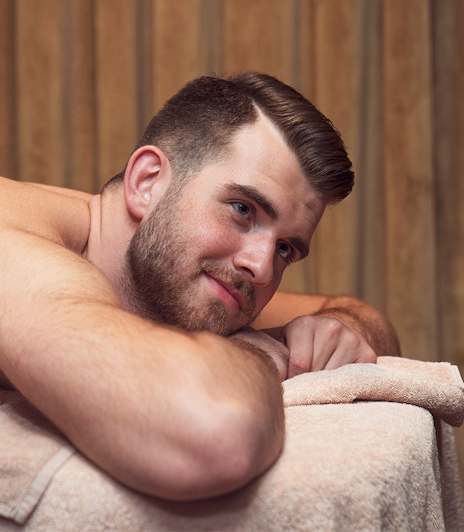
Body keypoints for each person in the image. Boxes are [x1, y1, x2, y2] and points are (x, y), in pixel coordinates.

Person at [0, 72, 399, 502]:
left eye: (285, 249)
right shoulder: (18, 245)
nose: (261, 268)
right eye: (242, 210)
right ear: (147, 182)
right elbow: (216, 431)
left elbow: (364, 316)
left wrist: (337, 327)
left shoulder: (187, 277)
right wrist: (257, 351)